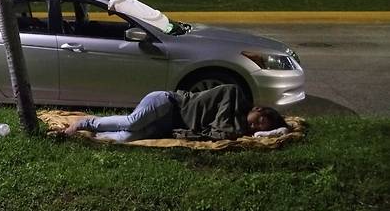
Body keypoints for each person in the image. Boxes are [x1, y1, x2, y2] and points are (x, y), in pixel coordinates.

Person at [64, 85, 287, 142]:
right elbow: (225, 128)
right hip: (168, 102)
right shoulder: (234, 95)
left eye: (260, 129)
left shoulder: (235, 126)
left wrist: (270, 132)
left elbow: (221, 132)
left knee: (128, 138)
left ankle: (88, 138)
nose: (255, 128)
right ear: (257, 109)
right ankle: (86, 122)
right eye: (259, 122)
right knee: (132, 123)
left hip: (169, 123)